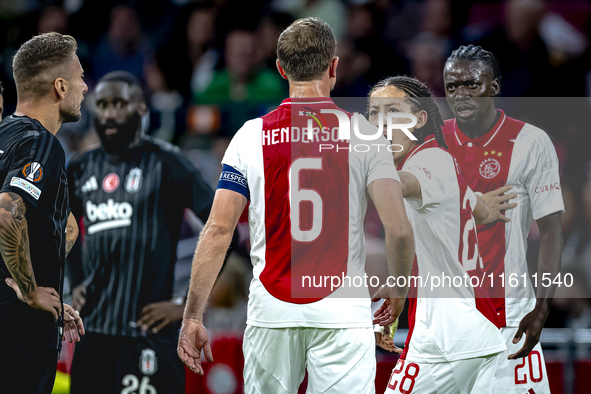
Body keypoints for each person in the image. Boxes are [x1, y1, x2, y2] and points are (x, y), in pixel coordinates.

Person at [178, 17, 415, 393]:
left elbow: (219, 229)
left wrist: (193, 314)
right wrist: (398, 291)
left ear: (280, 69)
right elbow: (399, 230)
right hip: (342, 309)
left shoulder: (250, 136)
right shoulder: (365, 134)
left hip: (273, 308)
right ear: (334, 67)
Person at [67, 71, 215, 394]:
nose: (109, 112)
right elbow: (60, 229)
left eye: (119, 103)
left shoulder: (169, 164)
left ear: (142, 108)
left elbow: (221, 228)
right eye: (102, 104)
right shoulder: (79, 168)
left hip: (152, 336)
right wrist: (75, 280)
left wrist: (188, 304)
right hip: (93, 334)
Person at [369, 76, 506, 393]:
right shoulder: (443, 163)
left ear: (419, 120)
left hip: (447, 337)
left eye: (393, 111)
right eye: (374, 112)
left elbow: (403, 183)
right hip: (471, 329)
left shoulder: (428, 161)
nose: (381, 122)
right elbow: (472, 206)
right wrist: (487, 208)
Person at [442, 44, 564, 393]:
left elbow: (552, 231)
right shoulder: (433, 143)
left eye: (471, 84)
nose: (461, 94)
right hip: (448, 315)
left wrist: (541, 309)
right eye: (452, 87)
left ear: (494, 86)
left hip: (510, 314)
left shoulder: (531, 142)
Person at [0, 32, 86, 394]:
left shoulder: (5, 135)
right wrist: (30, 289)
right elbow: (7, 212)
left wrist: (44, 290)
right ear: (60, 86)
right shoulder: (41, 143)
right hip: (18, 336)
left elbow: (51, 229)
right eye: (80, 77)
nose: (85, 86)